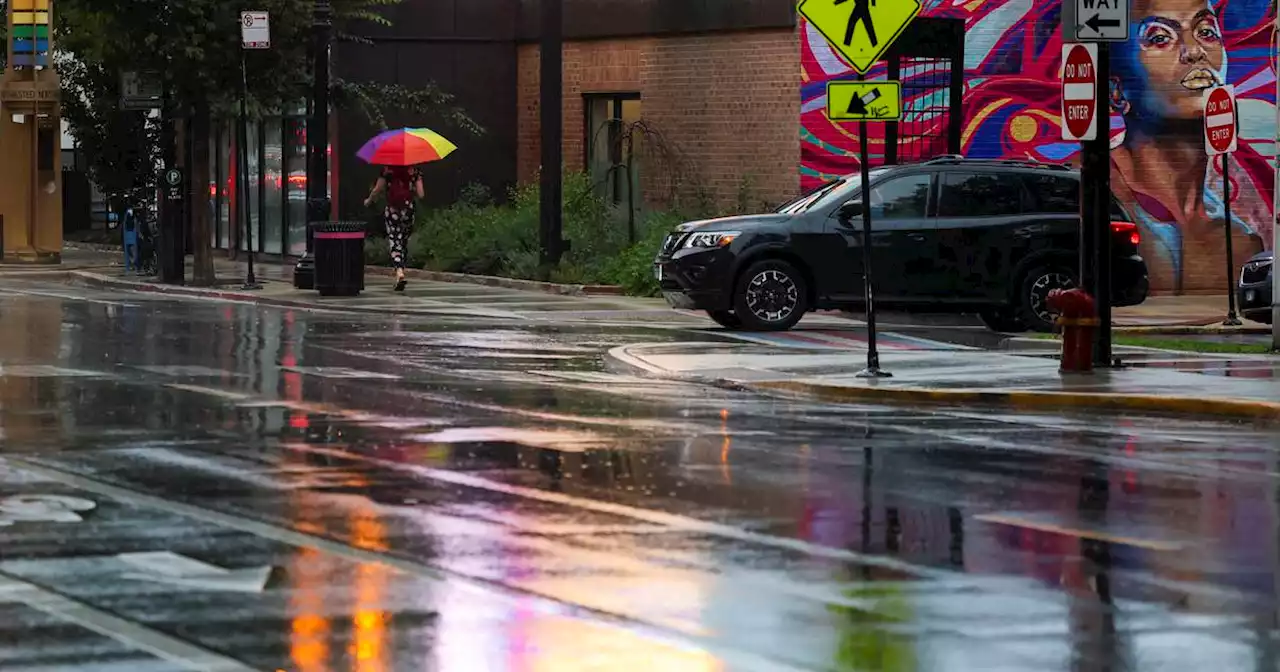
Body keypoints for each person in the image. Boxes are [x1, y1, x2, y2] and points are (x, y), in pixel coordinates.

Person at [1109, 0, 1266, 292]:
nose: (1195, 51)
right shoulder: (1088, 194)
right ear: (1117, 93)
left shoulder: (1240, 240)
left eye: (1206, 32)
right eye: (1159, 38)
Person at [364, 165, 425, 291]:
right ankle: (402, 266)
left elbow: (377, 190)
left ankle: (399, 271)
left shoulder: (387, 169)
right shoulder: (415, 170)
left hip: (393, 209)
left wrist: (368, 201)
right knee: (403, 240)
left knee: (394, 239)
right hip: (408, 209)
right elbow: (421, 194)